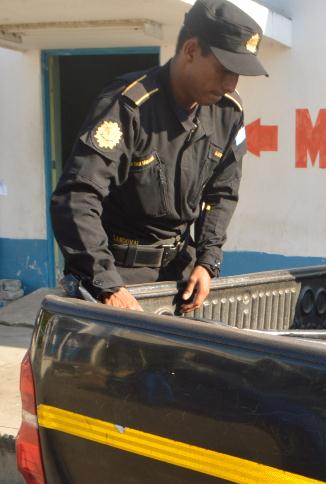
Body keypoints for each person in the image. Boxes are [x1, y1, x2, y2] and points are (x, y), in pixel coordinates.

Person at [51, 0, 267, 313]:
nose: (230, 84)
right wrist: (107, 284)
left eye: (237, 74)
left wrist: (207, 262)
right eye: (224, 70)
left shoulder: (228, 112)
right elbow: (76, 197)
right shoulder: (129, 106)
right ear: (191, 50)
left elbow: (221, 194)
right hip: (119, 275)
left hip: (182, 275)